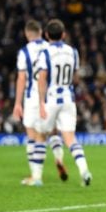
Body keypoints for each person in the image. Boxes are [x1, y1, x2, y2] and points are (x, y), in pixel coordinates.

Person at [36, 19, 93, 187]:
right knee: (70, 138)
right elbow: (75, 77)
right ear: (64, 35)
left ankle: (38, 176)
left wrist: (40, 102)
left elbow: (42, 79)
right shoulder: (72, 52)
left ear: (46, 35)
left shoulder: (44, 53)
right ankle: (84, 171)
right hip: (68, 98)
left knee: (41, 135)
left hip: (52, 98)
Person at [13, 19, 69, 186]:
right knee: (52, 132)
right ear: (41, 33)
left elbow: (22, 78)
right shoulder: (50, 48)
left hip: (31, 97)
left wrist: (17, 102)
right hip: (48, 96)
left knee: (33, 136)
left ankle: (36, 176)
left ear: (26, 33)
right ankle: (58, 158)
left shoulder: (24, 52)